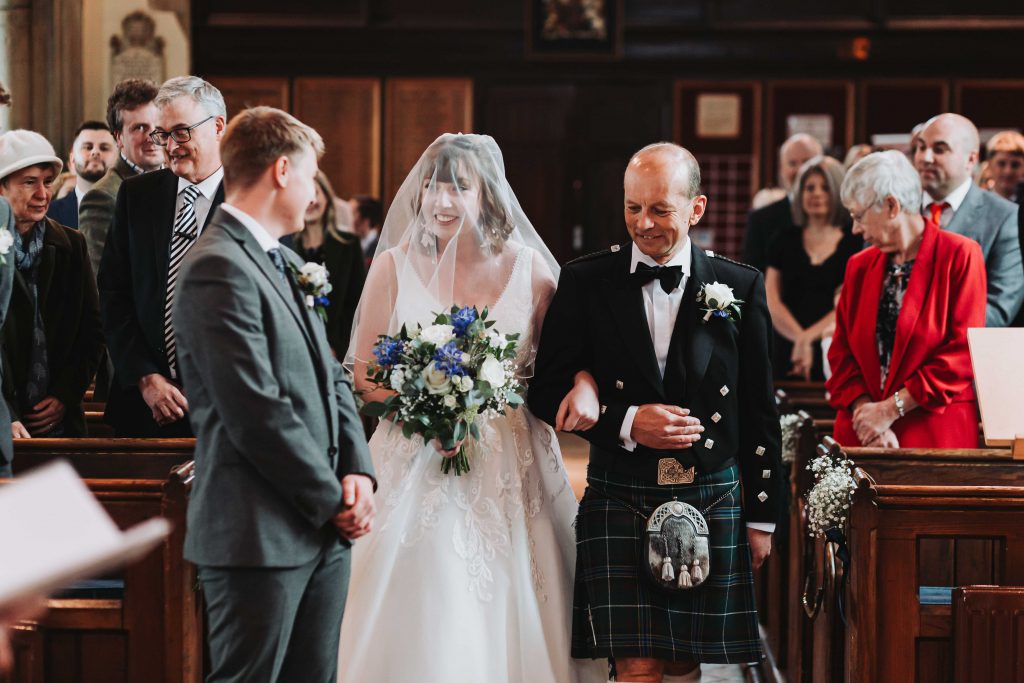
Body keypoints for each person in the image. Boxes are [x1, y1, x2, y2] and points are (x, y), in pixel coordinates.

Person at [337, 133, 606, 683]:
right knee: (428, 581)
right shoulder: (392, 266)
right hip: (414, 458)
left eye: (459, 186)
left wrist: (584, 382)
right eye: (434, 186)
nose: (442, 200)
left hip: (508, 460)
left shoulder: (532, 271)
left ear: (488, 195)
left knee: (515, 591)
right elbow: (363, 376)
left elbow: (565, 360)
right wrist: (422, 408)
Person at [530, 142, 784, 682]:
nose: (642, 224)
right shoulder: (585, 280)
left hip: (710, 489)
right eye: (632, 207)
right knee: (637, 662)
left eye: (660, 209)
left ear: (696, 209)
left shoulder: (739, 285)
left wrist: (762, 517)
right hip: (622, 488)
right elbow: (544, 385)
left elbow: (760, 409)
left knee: (683, 657)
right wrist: (626, 421)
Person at [173, 106, 375, 683]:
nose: (315, 193)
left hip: (321, 530)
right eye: (311, 176)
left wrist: (358, 469)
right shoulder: (216, 267)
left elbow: (332, 373)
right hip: (256, 534)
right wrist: (332, 498)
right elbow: (254, 412)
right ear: (282, 171)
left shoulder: (285, 260)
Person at [827, 151, 986, 448]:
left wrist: (889, 410)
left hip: (931, 432)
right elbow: (841, 352)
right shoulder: (859, 266)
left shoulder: (960, 255)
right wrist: (867, 416)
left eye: (858, 216)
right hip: (862, 433)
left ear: (891, 206)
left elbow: (962, 353)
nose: (855, 229)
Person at [98, 76, 225, 437]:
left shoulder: (251, 199)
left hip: (227, 411)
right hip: (144, 408)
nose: (170, 146)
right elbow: (113, 294)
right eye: (162, 134)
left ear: (217, 127)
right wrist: (145, 378)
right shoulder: (137, 195)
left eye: (181, 132)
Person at [0, 130, 103, 439]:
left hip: (61, 420)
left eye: (47, 182)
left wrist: (64, 395)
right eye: (29, 182)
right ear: (2, 188)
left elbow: (92, 330)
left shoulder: (71, 244)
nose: (43, 193)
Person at [913, 113, 1022, 327]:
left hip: (961, 352)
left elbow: (997, 309)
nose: (925, 157)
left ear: (971, 159)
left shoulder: (1003, 217)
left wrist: (923, 334)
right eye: (921, 147)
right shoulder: (897, 208)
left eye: (939, 149)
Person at [765, 155, 861, 380]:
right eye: (809, 188)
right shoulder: (783, 239)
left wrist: (808, 338)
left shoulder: (856, 242)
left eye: (825, 187)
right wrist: (799, 338)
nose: (816, 194)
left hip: (834, 344)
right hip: (785, 345)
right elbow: (771, 299)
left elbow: (849, 303)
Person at [79, 78, 164, 277]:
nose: (152, 136)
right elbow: (101, 282)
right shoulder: (102, 198)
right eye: (139, 128)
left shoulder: (179, 181)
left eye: (157, 126)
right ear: (118, 138)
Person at [282, 172, 365, 355]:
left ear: (326, 196)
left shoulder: (348, 244)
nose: (312, 201)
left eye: (316, 193)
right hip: (296, 349)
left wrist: (337, 347)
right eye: (306, 194)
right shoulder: (284, 247)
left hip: (338, 349)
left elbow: (357, 304)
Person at [742, 133, 823, 271]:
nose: (800, 170)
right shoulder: (761, 219)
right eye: (792, 163)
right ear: (781, 169)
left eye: (807, 162)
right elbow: (750, 274)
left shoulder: (842, 217)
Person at [46, 121, 117, 229]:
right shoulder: (48, 214)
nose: (95, 152)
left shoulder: (131, 207)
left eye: (104, 148)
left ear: (117, 158)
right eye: (88, 147)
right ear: (72, 158)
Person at [984, 131, 1024, 203]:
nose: (1007, 171)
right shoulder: (976, 202)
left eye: (1015, 165)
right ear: (989, 165)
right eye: (1001, 164)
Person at [349, 194, 381, 264]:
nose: (348, 217)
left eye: (351, 213)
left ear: (366, 220)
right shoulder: (347, 244)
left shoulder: (381, 248)